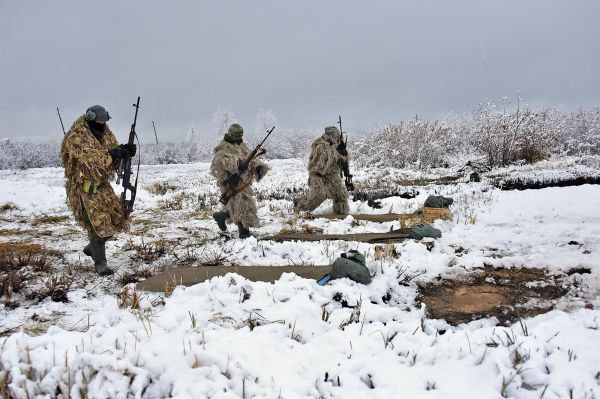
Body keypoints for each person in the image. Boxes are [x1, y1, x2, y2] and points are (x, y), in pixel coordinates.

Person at [60, 105, 136, 275]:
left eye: (104, 122)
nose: (102, 125)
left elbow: (111, 161)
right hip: (84, 188)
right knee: (96, 225)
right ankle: (100, 263)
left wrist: (124, 153)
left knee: (118, 219)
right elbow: (90, 164)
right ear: (90, 118)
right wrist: (113, 154)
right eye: (99, 122)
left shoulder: (106, 134)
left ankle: (92, 248)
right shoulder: (76, 136)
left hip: (102, 186)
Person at [210, 123, 270, 238]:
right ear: (231, 134)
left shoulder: (241, 145)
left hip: (244, 182)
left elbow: (250, 158)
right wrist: (237, 163)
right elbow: (220, 161)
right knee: (243, 205)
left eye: (240, 135)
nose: (239, 137)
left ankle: (221, 216)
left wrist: (258, 166)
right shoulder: (223, 147)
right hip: (231, 181)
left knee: (235, 206)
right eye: (237, 135)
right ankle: (244, 233)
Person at [295, 126, 349, 215]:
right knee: (318, 197)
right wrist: (336, 151)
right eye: (336, 136)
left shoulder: (335, 146)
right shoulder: (319, 145)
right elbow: (323, 160)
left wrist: (343, 154)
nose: (337, 138)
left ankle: (341, 213)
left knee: (341, 194)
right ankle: (299, 207)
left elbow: (341, 163)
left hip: (331, 174)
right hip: (317, 174)